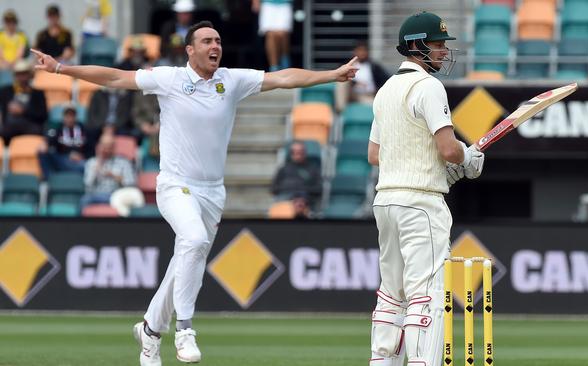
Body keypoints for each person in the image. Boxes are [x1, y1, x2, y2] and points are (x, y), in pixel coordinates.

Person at [31, 20, 357, 366]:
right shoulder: (169, 78)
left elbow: (283, 78)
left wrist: (332, 75)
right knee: (194, 240)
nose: (215, 46)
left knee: (185, 259)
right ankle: (184, 328)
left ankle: (150, 333)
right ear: (190, 50)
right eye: (206, 41)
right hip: (175, 184)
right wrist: (61, 68)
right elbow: (115, 77)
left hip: (212, 191)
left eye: (217, 40)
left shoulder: (231, 81)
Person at [366, 12, 484, 366]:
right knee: (427, 293)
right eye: (437, 45)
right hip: (421, 204)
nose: (444, 52)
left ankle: (382, 361)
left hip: (386, 200)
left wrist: (434, 167)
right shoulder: (429, 87)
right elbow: (449, 149)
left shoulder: (385, 89)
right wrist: (468, 156)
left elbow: (375, 154)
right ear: (417, 46)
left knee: (392, 293)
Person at [80, 133, 136, 207]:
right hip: (96, 195)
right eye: (104, 146)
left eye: (109, 146)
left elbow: (131, 184)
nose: (106, 149)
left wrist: (115, 176)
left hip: (116, 195)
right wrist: (97, 166)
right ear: (99, 146)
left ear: (114, 148)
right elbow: (87, 185)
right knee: (84, 199)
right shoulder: (91, 162)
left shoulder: (124, 162)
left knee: (122, 201)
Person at [0, 59, 47, 143]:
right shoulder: (6, 91)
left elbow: (43, 115)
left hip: (31, 126)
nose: (21, 77)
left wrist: (23, 111)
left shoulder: (38, 93)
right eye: (18, 74)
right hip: (9, 128)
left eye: (24, 74)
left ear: (30, 75)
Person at [335, 40, 390, 112]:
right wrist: (355, 83)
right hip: (351, 94)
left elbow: (386, 80)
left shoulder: (374, 67)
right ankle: (340, 113)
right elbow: (340, 76)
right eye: (359, 50)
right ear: (355, 52)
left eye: (364, 51)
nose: (362, 53)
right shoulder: (348, 65)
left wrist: (376, 91)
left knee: (378, 105)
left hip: (367, 95)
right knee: (341, 83)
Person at [38, 104, 89, 179]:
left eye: (72, 116)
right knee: (42, 152)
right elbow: (50, 140)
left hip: (80, 160)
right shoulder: (58, 128)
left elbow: (91, 147)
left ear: (75, 117)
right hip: (62, 159)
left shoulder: (84, 129)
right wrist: (45, 143)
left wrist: (82, 156)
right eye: (67, 116)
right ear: (63, 117)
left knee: (85, 167)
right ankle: (49, 181)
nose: (69, 119)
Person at [271, 140, 322, 207]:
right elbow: (273, 188)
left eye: (301, 152)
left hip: (305, 198)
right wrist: (287, 188)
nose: (298, 154)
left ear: (305, 153)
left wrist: (302, 191)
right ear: (291, 154)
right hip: (285, 198)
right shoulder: (283, 169)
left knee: (300, 202)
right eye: (295, 152)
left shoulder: (313, 169)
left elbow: (318, 189)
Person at [252, 0, 293, 71]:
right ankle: (274, 67)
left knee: (283, 34)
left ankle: (285, 64)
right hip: (267, 4)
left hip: (285, 3)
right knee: (270, 35)